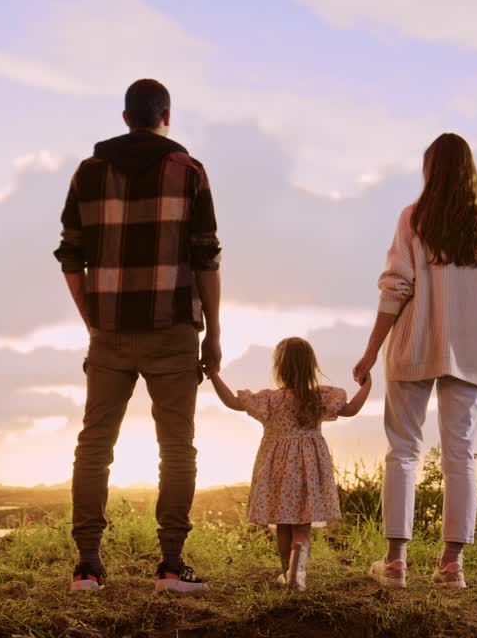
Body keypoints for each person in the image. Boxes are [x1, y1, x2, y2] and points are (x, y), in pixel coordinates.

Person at [54, 78, 222, 593]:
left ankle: (88, 566)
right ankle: (171, 565)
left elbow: (70, 256)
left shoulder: (88, 173)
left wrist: (93, 321)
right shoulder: (188, 171)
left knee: (94, 445)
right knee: (177, 447)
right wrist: (214, 334)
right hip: (173, 330)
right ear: (166, 116)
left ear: (126, 117)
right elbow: (206, 257)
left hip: (109, 333)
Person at [353, 132, 477, 590]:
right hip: (473, 353)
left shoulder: (415, 218)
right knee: (460, 454)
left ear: (431, 170)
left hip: (415, 345)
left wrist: (371, 350)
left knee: (403, 450)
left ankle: (395, 563)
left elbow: (396, 286)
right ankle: (451, 567)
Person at [206, 337, 371, 591]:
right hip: (309, 469)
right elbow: (352, 409)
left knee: (282, 524)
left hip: (278, 469)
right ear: (311, 367)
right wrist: (367, 385)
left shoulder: (270, 400)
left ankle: (287, 573)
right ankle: (298, 575)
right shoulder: (318, 398)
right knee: (302, 526)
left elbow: (232, 402)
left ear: (279, 368)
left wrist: (214, 375)